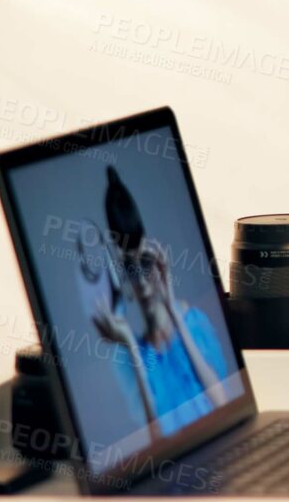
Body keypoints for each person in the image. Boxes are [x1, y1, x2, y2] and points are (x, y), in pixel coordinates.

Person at [89, 167, 230, 436]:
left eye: (145, 263)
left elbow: (221, 403)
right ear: (122, 279)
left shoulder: (192, 322)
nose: (142, 282)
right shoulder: (131, 358)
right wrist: (131, 346)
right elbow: (157, 438)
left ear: (158, 263)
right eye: (130, 269)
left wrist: (172, 310)